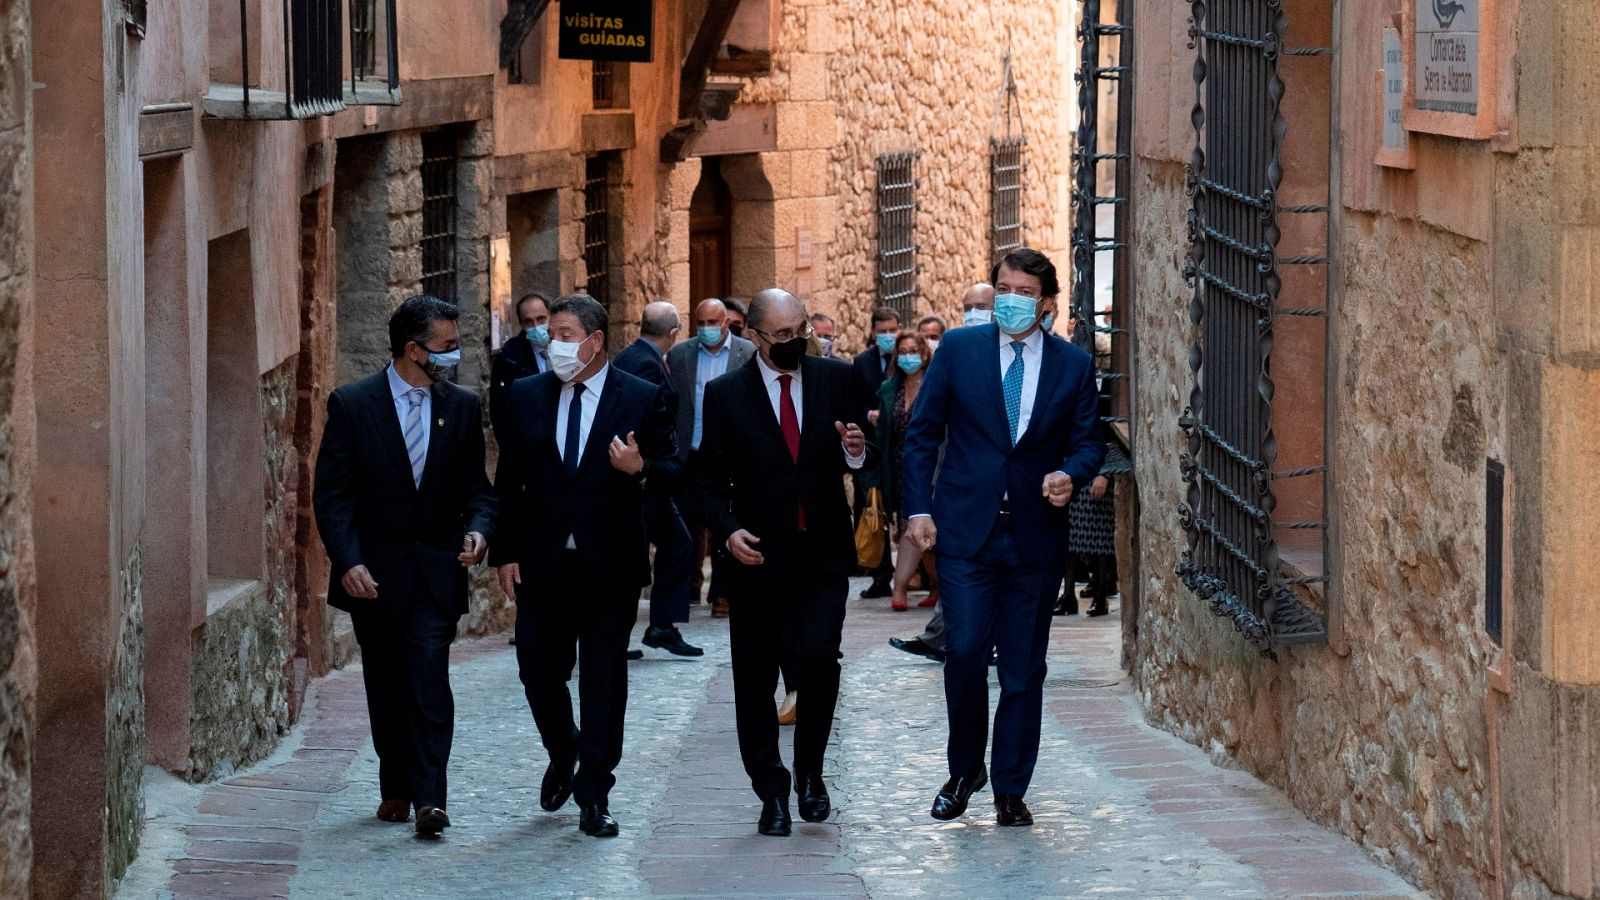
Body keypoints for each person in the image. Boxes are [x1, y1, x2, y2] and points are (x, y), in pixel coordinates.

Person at [902, 248, 1105, 828]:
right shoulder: (961, 352)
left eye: (1021, 291)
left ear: (1046, 304)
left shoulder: (1072, 365)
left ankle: (1011, 787)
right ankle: (966, 768)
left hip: (1034, 537)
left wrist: (1073, 473)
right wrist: (917, 508)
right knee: (963, 652)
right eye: (1002, 288)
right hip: (967, 532)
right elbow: (923, 436)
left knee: (1023, 669)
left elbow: (1088, 440)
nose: (1009, 299)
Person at [491, 294, 681, 839]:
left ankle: (595, 792)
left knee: (603, 680)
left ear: (595, 341)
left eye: (565, 333)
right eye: (551, 333)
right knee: (537, 669)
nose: (554, 344)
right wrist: (506, 551)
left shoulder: (640, 396)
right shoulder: (527, 396)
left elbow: (675, 472)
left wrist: (640, 467)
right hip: (544, 564)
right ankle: (564, 749)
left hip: (610, 565)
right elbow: (509, 482)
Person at [312, 295, 495, 838]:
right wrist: (348, 561)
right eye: (444, 347)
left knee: (429, 683)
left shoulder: (462, 406)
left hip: (436, 574)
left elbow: (480, 492)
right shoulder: (353, 404)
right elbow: (333, 497)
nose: (452, 356)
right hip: (375, 577)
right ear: (413, 350)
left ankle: (430, 800)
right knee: (387, 684)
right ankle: (395, 783)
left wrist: (479, 532)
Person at [697, 288, 874, 837]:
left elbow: (861, 451)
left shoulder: (836, 379)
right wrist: (727, 534)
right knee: (755, 678)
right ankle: (770, 792)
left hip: (821, 552)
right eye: (783, 334)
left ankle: (811, 776)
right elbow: (705, 481)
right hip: (756, 557)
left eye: (801, 329)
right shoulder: (726, 395)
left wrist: (854, 449)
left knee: (820, 659)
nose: (797, 340)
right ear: (754, 337)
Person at [613, 302, 704, 657]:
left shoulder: (635, 357)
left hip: (654, 477)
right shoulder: (643, 364)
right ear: (673, 333)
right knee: (631, 557)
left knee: (679, 543)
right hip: (642, 476)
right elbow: (642, 418)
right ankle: (616, 635)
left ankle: (662, 625)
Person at [667, 299, 757, 619]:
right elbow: (673, 402)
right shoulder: (680, 355)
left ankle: (722, 593)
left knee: (725, 524)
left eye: (713, 322)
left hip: (729, 456)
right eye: (700, 322)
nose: (706, 328)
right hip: (689, 453)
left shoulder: (748, 353)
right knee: (687, 523)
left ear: (726, 323)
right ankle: (689, 587)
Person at [862, 332, 938, 612]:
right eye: (903, 351)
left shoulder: (935, 385)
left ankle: (901, 586)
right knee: (914, 527)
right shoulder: (889, 390)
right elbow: (882, 436)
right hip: (897, 469)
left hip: (930, 471)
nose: (908, 357)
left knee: (917, 527)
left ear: (925, 354)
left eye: (913, 350)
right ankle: (931, 586)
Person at [852, 306, 903, 599]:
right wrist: (868, 415)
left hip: (901, 446)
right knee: (872, 508)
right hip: (873, 447)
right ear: (872, 333)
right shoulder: (862, 363)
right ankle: (880, 573)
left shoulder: (910, 357)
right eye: (882, 331)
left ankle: (918, 573)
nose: (888, 336)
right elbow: (852, 401)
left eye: (892, 330)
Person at [1056, 441, 1130, 617]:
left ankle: (1100, 596)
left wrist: (1104, 473)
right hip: (1071, 468)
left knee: (1100, 539)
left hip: (1098, 470)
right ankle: (1067, 596)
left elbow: (1112, 431)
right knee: (1070, 537)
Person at [490, 292, 553, 433]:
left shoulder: (569, 346)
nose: (536, 326)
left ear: (551, 316)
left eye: (541, 319)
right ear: (521, 324)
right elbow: (501, 412)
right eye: (528, 321)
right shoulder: (509, 360)